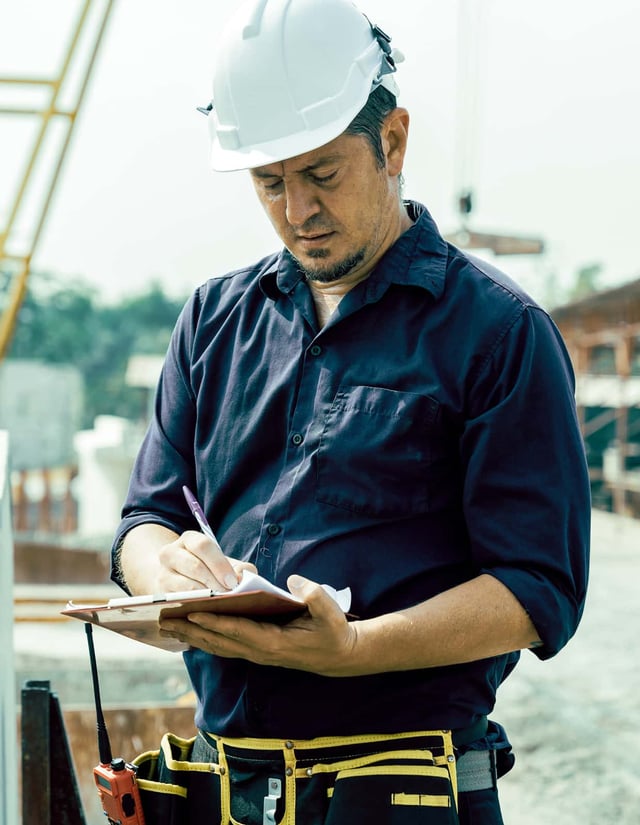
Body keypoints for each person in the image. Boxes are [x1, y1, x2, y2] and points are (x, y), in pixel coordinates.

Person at [112, 0, 590, 822]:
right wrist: (170, 577)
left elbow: (536, 586)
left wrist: (357, 649)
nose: (297, 210)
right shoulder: (213, 321)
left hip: (400, 791)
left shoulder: (501, 335)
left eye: (322, 174)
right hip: (225, 787)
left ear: (393, 142)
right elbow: (144, 521)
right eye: (271, 183)